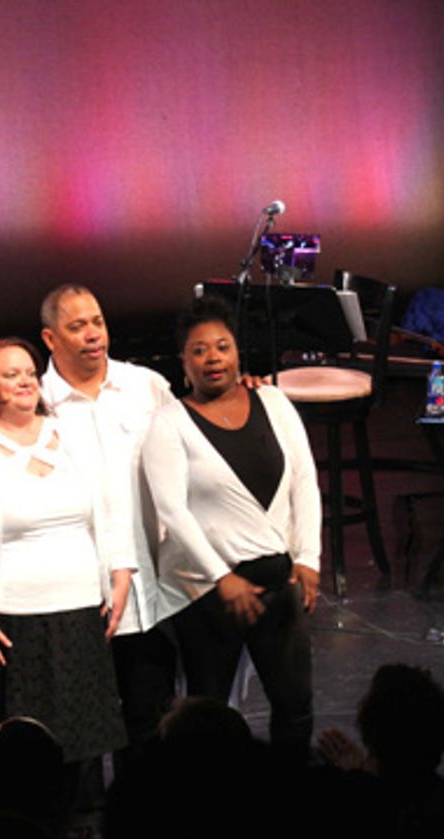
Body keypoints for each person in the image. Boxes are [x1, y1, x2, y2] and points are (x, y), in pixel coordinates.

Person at [0, 337, 131, 768]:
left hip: (79, 618)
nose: (25, 380)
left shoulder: (72, 438)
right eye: (10, 373)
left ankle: (86, 834)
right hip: (12, 627)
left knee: (84, 756)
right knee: (23, 762)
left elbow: (110, 507)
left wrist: (120, 571)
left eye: (29, 372)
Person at [142, 297, 321, 760]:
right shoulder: (169, 422)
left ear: (239, 352)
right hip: (206, 590)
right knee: (208, 714)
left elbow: (304, 479)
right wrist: (223, 579)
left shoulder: (273, 401)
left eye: (223, 346)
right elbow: (170, 508)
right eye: (199, 350)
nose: (213, 357)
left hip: (278, 579)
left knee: (295, 707)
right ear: (184, 361)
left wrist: (309, 558)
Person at [37, 284, 177, 761]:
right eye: (77, 326)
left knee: (149, 721)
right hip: (78, 591)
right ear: (50, 339)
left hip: (150, 587)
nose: (93, 334)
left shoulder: (147, 386)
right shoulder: (35, 405)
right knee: (81, 729)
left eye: (97, 321)